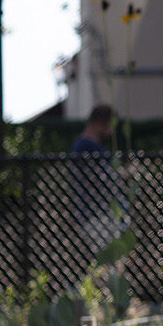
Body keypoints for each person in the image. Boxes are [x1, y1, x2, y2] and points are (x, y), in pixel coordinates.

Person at [70, 104, 131, 258]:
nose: (111, 131)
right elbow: (103, 178)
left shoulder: (90, 147)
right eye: (110, 126)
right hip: (98, 215)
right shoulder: (86, 148)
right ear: (99, 123)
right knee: (110, 259)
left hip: (103, 214)